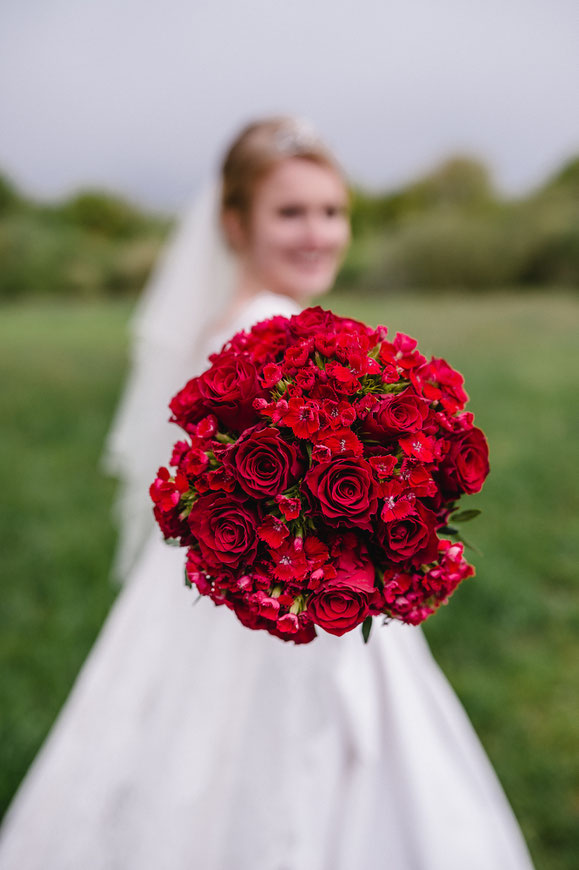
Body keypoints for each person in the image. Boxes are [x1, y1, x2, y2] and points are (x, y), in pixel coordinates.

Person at [0, 116, 535, 870]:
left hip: (257, 587)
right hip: (285, 600)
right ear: (234, 223)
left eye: (332, 210)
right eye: (290, 212)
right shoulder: (266, 333)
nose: (317, 233)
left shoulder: (246, 324)